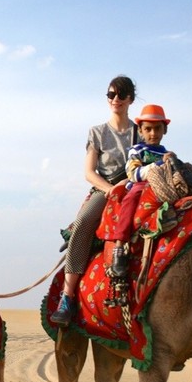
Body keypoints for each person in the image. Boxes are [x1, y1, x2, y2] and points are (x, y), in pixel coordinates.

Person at [50, 75, 138, 326]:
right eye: (111, 95)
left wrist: (127, 184)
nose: (116, 100)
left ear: (130, 98)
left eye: (121, 95)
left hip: (134, 188)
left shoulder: (139, 131)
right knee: (83, 223)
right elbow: (89, 172)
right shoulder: (97, 132)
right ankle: (66, 298)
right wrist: (111, 189)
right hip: (104, 189)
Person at [105, 104, 174, 278]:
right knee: (131, 198)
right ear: (141, 131)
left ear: (164, 130)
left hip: (164, 190)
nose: (153, 133)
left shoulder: (168, 154)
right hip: (140, 187)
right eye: (148, 129)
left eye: (157, 128)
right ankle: (119, 246)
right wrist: (158, 166)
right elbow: (134, 173)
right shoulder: (137, 151)